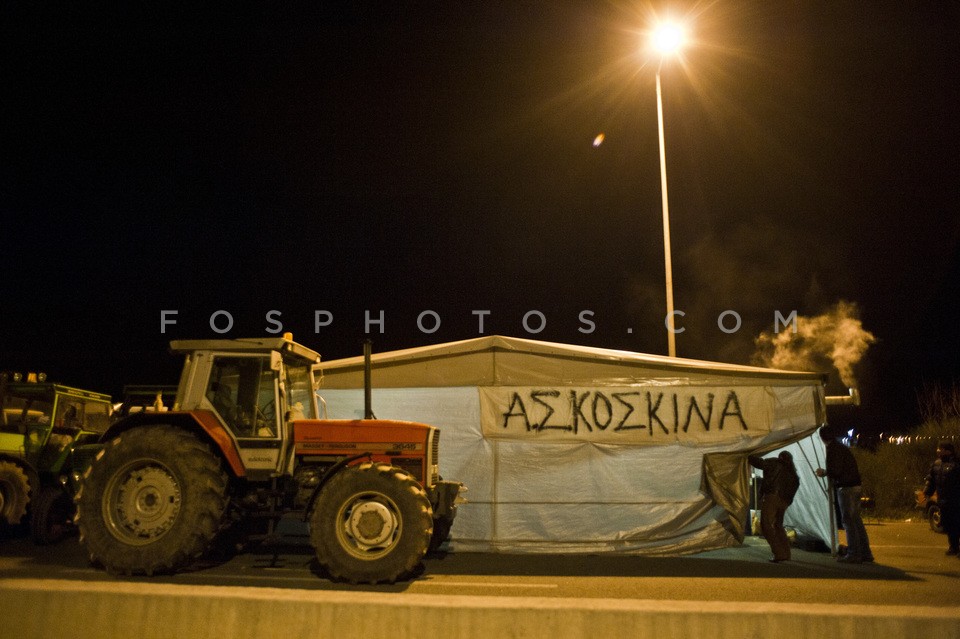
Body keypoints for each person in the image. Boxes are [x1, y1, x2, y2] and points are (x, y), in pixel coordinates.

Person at [815, 426, 874, 563]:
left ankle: (854, 554)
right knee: (856, 521)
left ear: (823, 438)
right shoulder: (841, 447)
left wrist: (823, 472)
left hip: (846, 488)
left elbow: (836, 470)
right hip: (855, 485)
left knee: (848, 521)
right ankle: (865, 553)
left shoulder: (833, 450)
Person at [749, 450, 800, 563]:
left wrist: (747, 454)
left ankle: (779, 553)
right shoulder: (793, 473)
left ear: (780, 457)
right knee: (778, 525)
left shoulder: (775, 463)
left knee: (765, 524)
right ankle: (786, 553)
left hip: (772, 496)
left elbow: (759, 463)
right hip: (784, 501)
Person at [923, 441, 960, 557]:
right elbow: (931, 480)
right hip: (943, 500)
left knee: (957, 523)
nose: (938, 451)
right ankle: (953, 547)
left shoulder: (957, 464)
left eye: (941, 449)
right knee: (948, 524)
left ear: (948, 451)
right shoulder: (936, 464)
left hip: (956, 499)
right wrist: (927, 492)